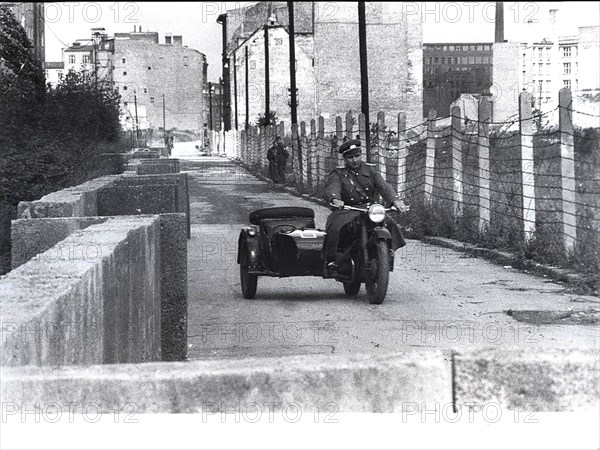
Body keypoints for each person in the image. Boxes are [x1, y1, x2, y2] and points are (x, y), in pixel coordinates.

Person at [322, 139, 409, 273]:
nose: (354, 160)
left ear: (361, 155)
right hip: (347, 209)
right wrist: (335, 199)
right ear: (345, 159)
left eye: (357, 156)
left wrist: (395, 201)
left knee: (389, 223)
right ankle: (331, 259)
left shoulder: (371, 170)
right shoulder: (338, 174)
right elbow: (333, 187)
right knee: (335, 227)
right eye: (350, 157)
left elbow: (384, 187)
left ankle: (387, 250)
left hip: (369, 209)